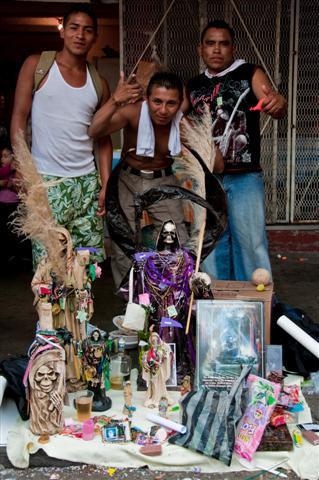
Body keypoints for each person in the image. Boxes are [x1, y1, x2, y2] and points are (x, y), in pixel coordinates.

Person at [10, 3, 113, 267]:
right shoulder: (38, 65)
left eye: (87, 30)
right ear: (63, 30)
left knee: (86, 267)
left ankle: (82, 311)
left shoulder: (98, 82)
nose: (80, 35)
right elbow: (19, 119)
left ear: (95, 36)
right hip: (47, 182)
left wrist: (105, 183)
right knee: (50, 268)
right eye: (74, 28)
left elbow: (103, 137)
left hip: (87, 185)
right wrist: (22, 167)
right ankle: (50, 311)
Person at [186, 20, 287, 281]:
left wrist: (277, 103)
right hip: (209, 179)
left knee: (251, 242)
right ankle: (218, 307)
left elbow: (272, 100)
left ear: (233, 48)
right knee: (212, 245)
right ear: (200, 49)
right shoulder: (193, 85)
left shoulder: (249, 73)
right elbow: (177, 122)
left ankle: (257, 308)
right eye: (210, 43)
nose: (216, 50)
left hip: (244, 177)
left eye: (223, 43)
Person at [89, 71, 206, 289]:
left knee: (175, 238)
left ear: (180, 104)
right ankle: (129, 301)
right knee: (123, 241)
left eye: (171, 103)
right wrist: (115, 100)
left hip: (164, 180)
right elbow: (94, 130)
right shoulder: (133, 112)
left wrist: (204, 138)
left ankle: (172, 295)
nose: (163, 110)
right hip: (127, 178)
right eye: (157, 102)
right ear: (147, 99)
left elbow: (215, 164)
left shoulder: (182, 124)